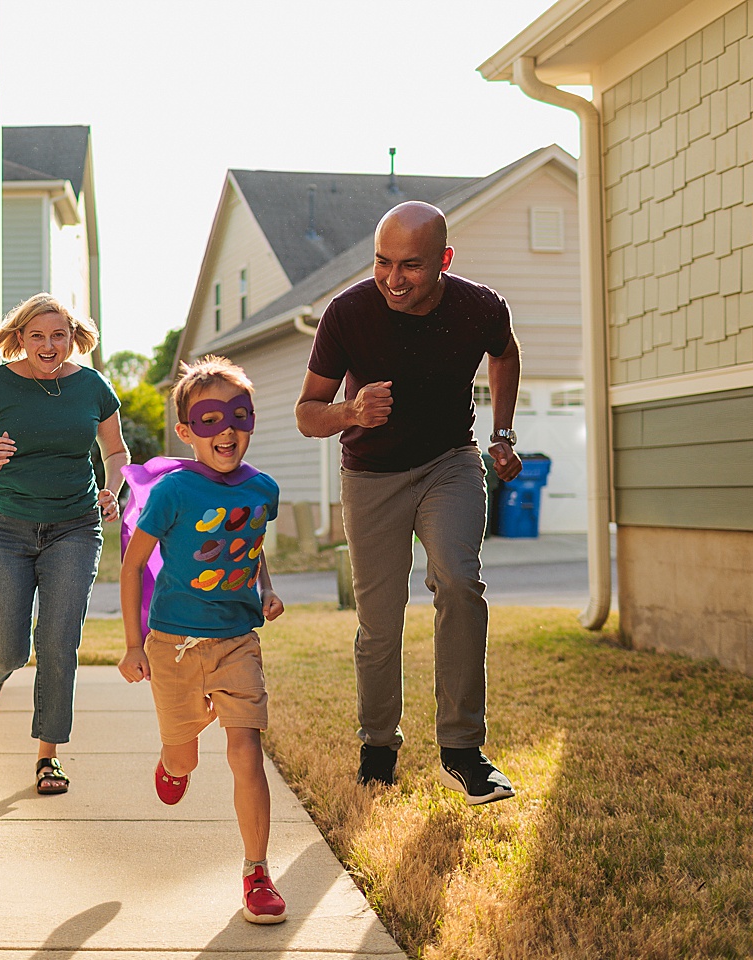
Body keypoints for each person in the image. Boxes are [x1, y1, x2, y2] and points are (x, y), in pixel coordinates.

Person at [294, 201, 522, 805]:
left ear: (444, 260)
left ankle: (464, 750)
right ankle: (377, 746)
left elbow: (505, 352)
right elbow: (306, 413)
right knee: (380, 619)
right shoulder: (348, 313)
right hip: (371, 476)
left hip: (450, 461)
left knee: (458, 580)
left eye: (411, 266)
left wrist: (502, 432)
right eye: (383, 263)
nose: (394, 279)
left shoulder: (479, 307)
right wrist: (350, 412)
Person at [117, 356, 288, 924]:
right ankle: (172, 763)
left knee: (246, 752)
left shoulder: (264, 489)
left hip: (238, 641)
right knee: (184, 759)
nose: (227, 431)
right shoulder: (174, 493)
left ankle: (257, 872)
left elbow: (252, 543)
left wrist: (265, 587)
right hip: (174, 645)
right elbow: (133, 563)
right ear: (187, 431)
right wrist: (134, 644)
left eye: (239, 416)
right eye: (210, 420)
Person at [0, 292, 129, 796]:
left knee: (59, 644)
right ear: (20, 340)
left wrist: (112, 490)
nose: (48, 344)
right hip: (5, 528)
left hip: (74, 527)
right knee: (11, 647)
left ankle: (48, 755)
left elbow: (116, 450)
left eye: (58, 335)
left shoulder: (93, 387)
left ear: (72, 338)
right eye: (37, 335)